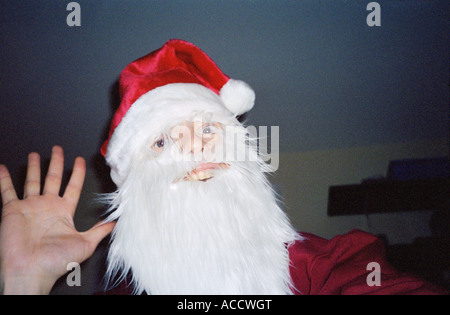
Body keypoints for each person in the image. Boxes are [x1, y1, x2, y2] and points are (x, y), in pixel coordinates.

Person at [0, 40, 446, 295]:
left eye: (209, 128)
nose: (194, 148)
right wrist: (24, 283)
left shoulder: (315, 264)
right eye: (162, 141)